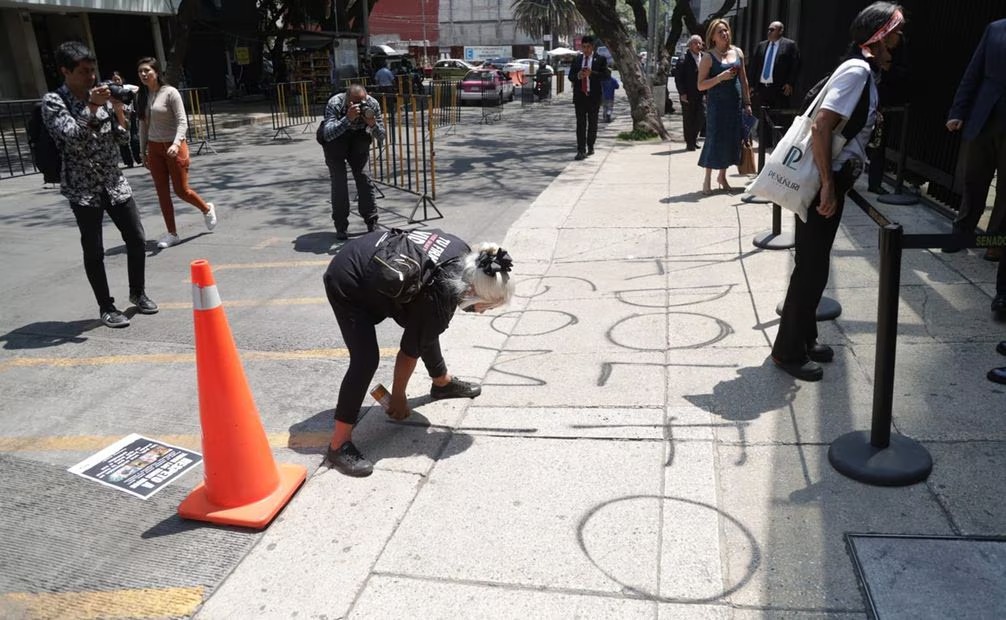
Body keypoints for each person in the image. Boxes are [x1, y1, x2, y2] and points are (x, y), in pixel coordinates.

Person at [771, 2, 904, 382]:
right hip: (822, 181)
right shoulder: (858, 71)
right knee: (811, 267)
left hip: (830, 179)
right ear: (879, 35)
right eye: (895, 30)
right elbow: (821, 126)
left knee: (814, 263)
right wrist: (828, 185)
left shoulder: (862, 71)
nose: (900, 38)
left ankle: (805, 337)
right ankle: (787, 351)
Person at [322, 230, 514, 476]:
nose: (484, 312)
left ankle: (441, 383)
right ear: (471, 292)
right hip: (348, 279)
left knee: (425, 323)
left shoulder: (466, 257)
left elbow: (423, 328)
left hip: (371, 256)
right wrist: (399, 397)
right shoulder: (442, 297)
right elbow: (408, 351)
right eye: (486, 306)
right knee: (365, 360)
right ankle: (339, 444)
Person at [41, 42, 157, 328]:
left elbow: (119, 139)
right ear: (65, 71)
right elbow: (72, 136)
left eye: (93, 70)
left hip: (114, 180)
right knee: (94, 250)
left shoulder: (102, 96)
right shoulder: (55, 102)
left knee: (137, 238)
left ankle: (138, 293)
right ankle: (106, 306)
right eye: (83, 72)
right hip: (83, 187)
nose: (91, 77)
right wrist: (92, 106)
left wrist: (118, 112)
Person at [945, 18, 1006, 310]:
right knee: (973, 178)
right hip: (985, 116)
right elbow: (973, 72)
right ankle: (962, 232)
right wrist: (958, 110)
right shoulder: (995, 28)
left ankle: (996, 243)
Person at [136, 57, 217, 250]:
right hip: (154, 148)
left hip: (174, 147)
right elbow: (142, 125)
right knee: (162, 192)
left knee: (181, 190)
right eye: (140, 72)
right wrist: (142, 150)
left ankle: (206, 208)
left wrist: (176, 143)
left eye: (147, 70)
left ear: (157, 72)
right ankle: (172, 233)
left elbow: (183, 122)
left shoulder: (170, 93)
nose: (144, 74)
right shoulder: (141, 96)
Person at [319, 84, 386, 241]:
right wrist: (347, 119)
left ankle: (372, 222)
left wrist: (372, 124)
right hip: (336, 142)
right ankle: (341, 226)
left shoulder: (372, 104)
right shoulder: (335, 103)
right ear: (347, 99)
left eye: (363, 101)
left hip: (359, 140)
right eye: (356, 102)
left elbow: (382, 136)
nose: (361, 106)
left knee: (364, 179)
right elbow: (328, 134)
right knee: (339, 182)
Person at [697, 19, 752, 194]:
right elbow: (700, 85)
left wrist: (747, 103)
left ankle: (722, 176)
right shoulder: (708, 57)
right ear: (713, 36)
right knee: (714, 140)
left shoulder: (737, 52)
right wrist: (720, 77)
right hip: (717, 105)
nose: (725, 34)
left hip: (734, 104)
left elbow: (743, 79)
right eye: (720, 31)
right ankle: (707, 179)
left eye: (726, 30)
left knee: (731, 139)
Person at [747, 20, 801, 148]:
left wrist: (790, 83)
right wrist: (752, 85)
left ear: (780, 31)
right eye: (768, 29)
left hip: (779, 89)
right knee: (763, 118)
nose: (769, 32)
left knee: (781, 118)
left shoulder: (789, 45)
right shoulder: (762, 46)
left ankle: (783, 145)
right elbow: (754, 66)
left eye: (772, 30)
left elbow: (795, 66)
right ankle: (765, 145)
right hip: (763, 88)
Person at [568, 35, 611, 161]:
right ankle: (581, 150)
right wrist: (579, 75)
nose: (585, 50)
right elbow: (571, 76)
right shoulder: (577, 60)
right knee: (580, 124)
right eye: (584, 47)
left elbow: (606, 76)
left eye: (588, 47)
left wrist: (592, 73)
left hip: (594, 97)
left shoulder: (600, 59)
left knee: (593, 124)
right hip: (580, 97)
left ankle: (590, 145)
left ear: (593, 47)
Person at [675, 34, 706, 151]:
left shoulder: (704, 57)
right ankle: (690, 142)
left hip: (701, 93)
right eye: (695, 43)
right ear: (690, 45)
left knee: (701, 117)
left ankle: (694, 138)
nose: (698, 45)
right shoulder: (683, 59)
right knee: (689, 119)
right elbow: (678, 78)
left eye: (700, 43)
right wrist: (682, 93)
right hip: (688, 94)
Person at [110, 71, 141, 167]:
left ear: (121, 80)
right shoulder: (110, 90)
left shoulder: (127, 87)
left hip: (130, 114)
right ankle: (128, 162)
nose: (116, 81)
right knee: (122, 139)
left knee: (134, 137)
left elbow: (138, 88)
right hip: (117, 115)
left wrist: (130, 94)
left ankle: (139, 158)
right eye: (114, 80)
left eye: (118, 79)